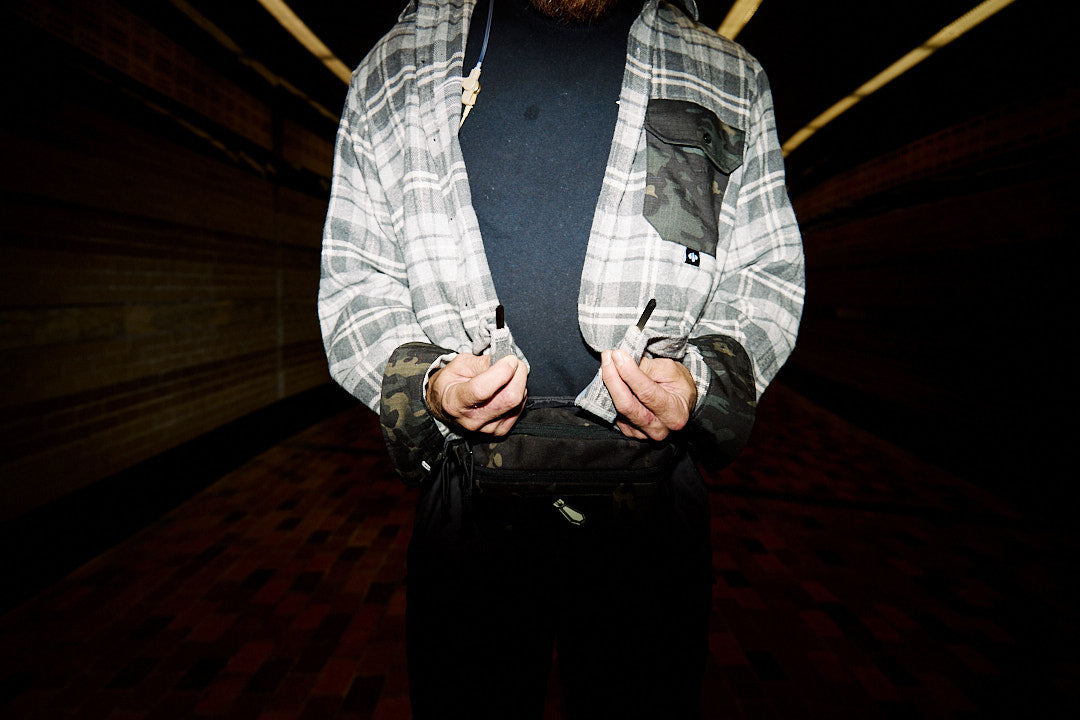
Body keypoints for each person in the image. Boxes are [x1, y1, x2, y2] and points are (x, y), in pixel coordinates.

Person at [319, 0, 804, 716]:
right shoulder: (397, 69)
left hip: (649, 501)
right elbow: (356, 277)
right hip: (469, 497)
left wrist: (700, 380)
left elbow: (764, 276)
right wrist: (426, 383)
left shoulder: (725, 75)